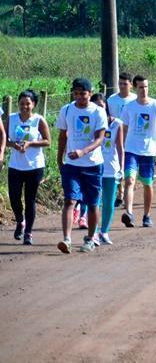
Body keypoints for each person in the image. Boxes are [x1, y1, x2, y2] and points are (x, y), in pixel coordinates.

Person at [56, 78, 107, 254]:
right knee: (70, 200)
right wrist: (59, 158)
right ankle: (67, 239)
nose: (79, 97)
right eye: (76, 94)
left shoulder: (98, 112)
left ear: (90, 93)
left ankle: (91, 238)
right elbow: (62, 135)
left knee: (92, 204)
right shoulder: (67, 109)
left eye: (83, 94)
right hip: (71, 164)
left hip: (92, 164)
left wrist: (83, 152)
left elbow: (100, 139)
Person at [120, 75, 156, 228]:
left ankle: (146, 215)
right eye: (141, 87)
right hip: (131, 149)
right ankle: (129, 213)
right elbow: (124, 127)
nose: (144, 90)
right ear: (135, 88)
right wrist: (120, 147)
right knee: (129, 180)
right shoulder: (129, 106)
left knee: (147, 183)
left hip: (149, 150)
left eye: (146, 87)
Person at [7, 90, 50, 245]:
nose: (24, 106)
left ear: (34, 105)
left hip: (34, 166)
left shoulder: (38, 120)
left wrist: (31, 143)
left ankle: (28, 233)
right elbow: (4, 139)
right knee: (14, 198)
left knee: (30, 199)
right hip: (15, 165)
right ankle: (20, 220)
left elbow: (47, 141)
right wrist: (14, 145)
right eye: (22, 103)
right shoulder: (11, 119)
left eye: (28, 104)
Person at [90, 94, 123, 245]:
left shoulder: (117, 124)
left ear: (106, 107)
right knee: (95, 201)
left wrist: (121, 168)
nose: (100, 110)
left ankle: (104, 231)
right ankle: (94, 232)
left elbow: (120, 148)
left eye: (101, 106)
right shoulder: (90, 123)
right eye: (96, 107)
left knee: (109, 202)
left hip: (111, 168)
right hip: (94, 166)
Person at [107, 72, 135, 207]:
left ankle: (127, 186)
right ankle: (120, 191)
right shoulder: (111, 100)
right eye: (120, 83)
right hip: (116, 135)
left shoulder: (135, 99)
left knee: (127, 163)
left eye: (125, 83)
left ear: (131, 84)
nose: (122, 86)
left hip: (132, 137)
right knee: (116, 162)